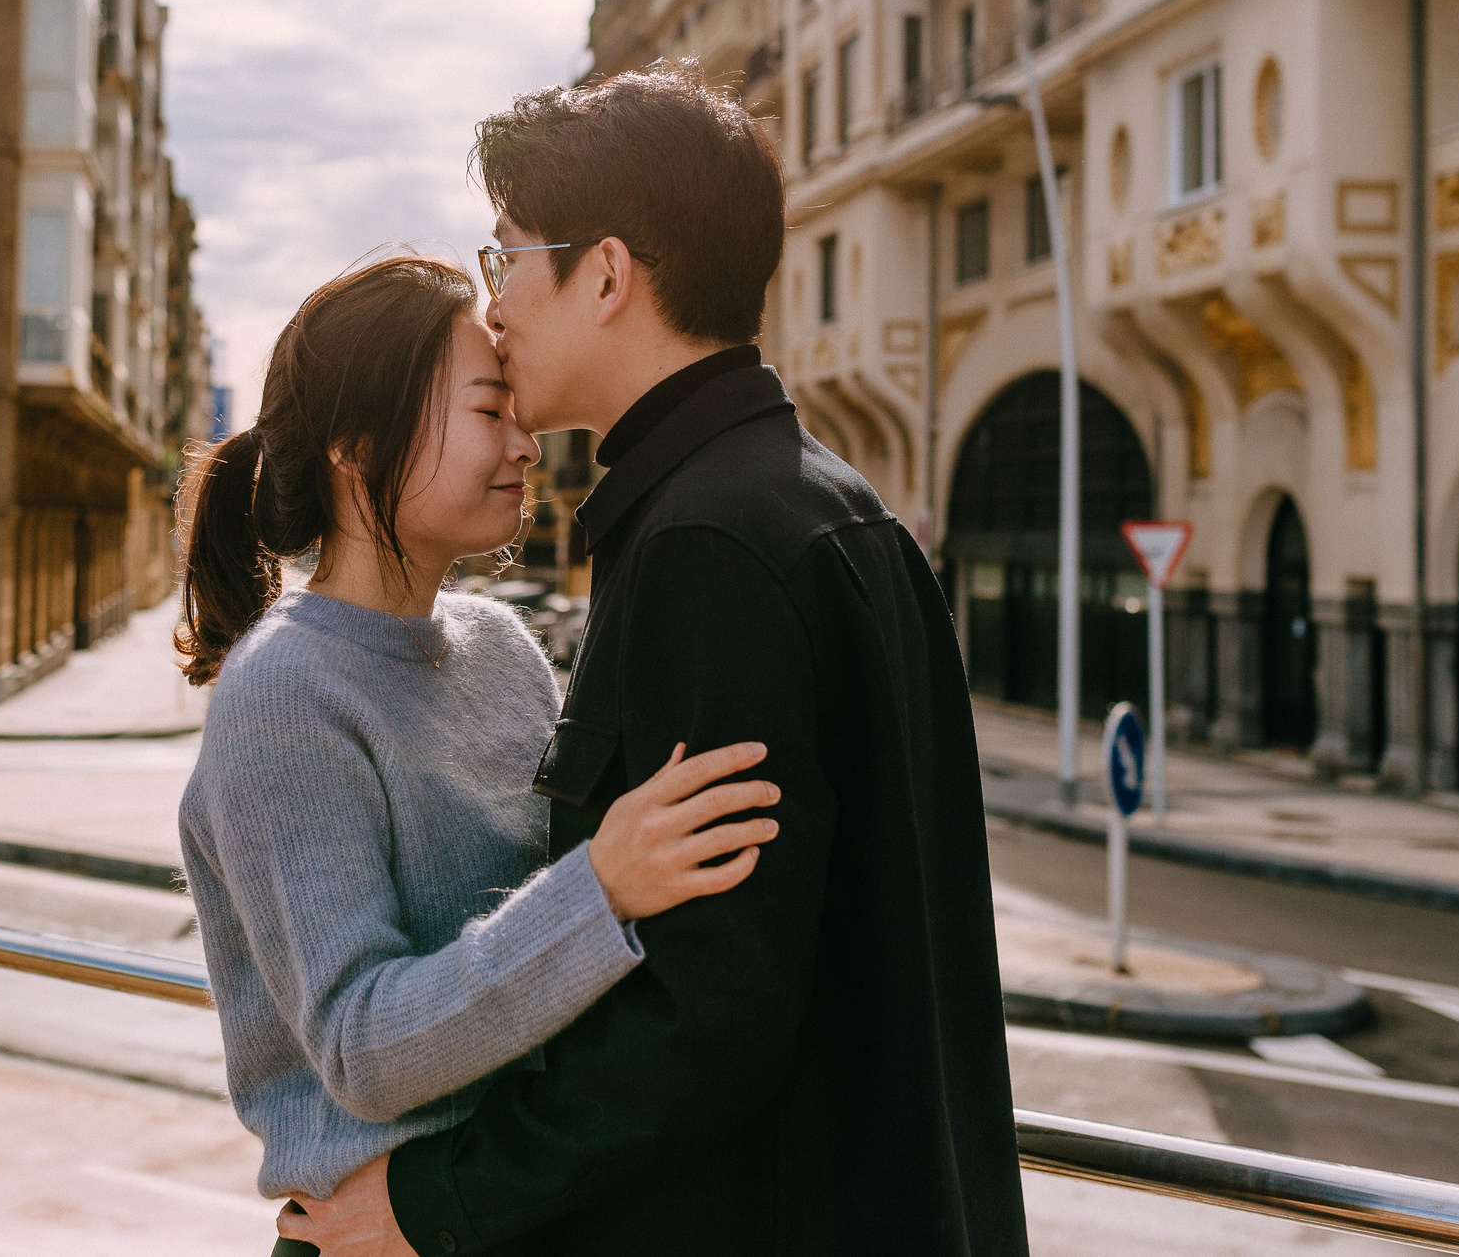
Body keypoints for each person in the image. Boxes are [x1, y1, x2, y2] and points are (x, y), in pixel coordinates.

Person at [284, 67, 1029, 1256]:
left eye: (508, 259)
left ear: (607, 275)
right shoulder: (836, 509)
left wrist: (431, 1202)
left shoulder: (707, 543)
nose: (494, 307)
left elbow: (704, 1012)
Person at [175, 254, 782, 1257]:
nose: (526, 443)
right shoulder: (282, 696)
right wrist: (603, 885)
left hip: (517, 1213)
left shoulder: (501, 648)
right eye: (489, 409)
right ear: (356, 445)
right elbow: (361, 1047)